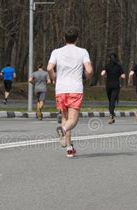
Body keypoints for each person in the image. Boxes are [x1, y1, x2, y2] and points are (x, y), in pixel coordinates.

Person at [47, 26, 93, 157]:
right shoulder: (82, 52)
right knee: (73, 120)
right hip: (75, 89)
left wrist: (53, 77)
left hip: (60, 89)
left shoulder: (56, 52)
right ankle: (63, 130)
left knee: (65, 118)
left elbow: (49, 67)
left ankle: (69, 148)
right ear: (77, 39)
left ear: (64, 38)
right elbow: (89, 71)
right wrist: (88, 77)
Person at [101, 53, 125, 124]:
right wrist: (119, 76)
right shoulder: (119, 66)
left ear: (109, 59)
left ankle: (111, 115)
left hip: (108, 85)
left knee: (110, 101)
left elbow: (102, 73)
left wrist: (105, 75)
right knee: (112, 101)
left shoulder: (107, 66)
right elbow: (123, 76)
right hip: (116, 85)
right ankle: (111, 115)